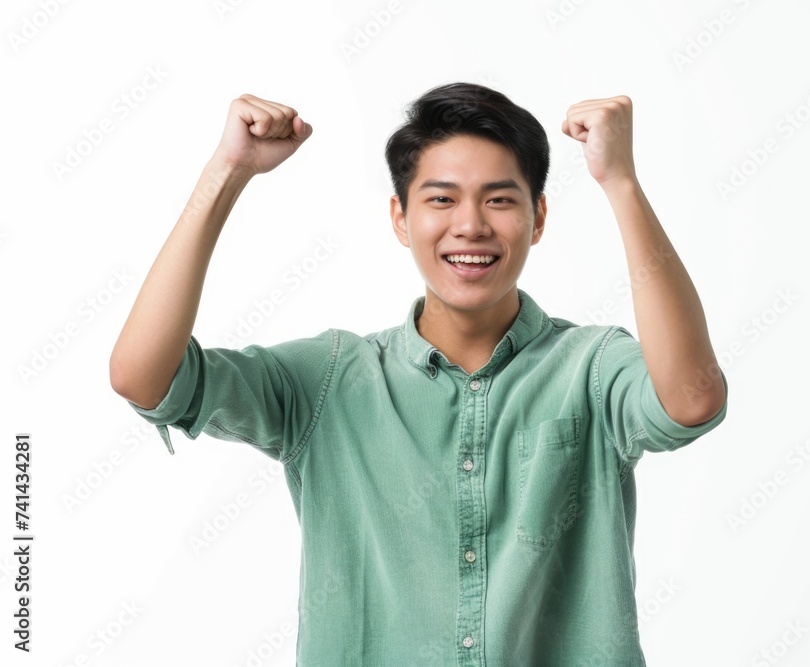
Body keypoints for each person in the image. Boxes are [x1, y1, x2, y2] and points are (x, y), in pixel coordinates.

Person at [109, 82, 728, 665]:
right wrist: (227, 172)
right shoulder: (329, 380)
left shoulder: (591, 368)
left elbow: (692, 398)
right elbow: (145, 376)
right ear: (401, 218)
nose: (471, 224)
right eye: (441, 198)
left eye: (499, 199)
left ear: (538, 219)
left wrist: (619, 181)